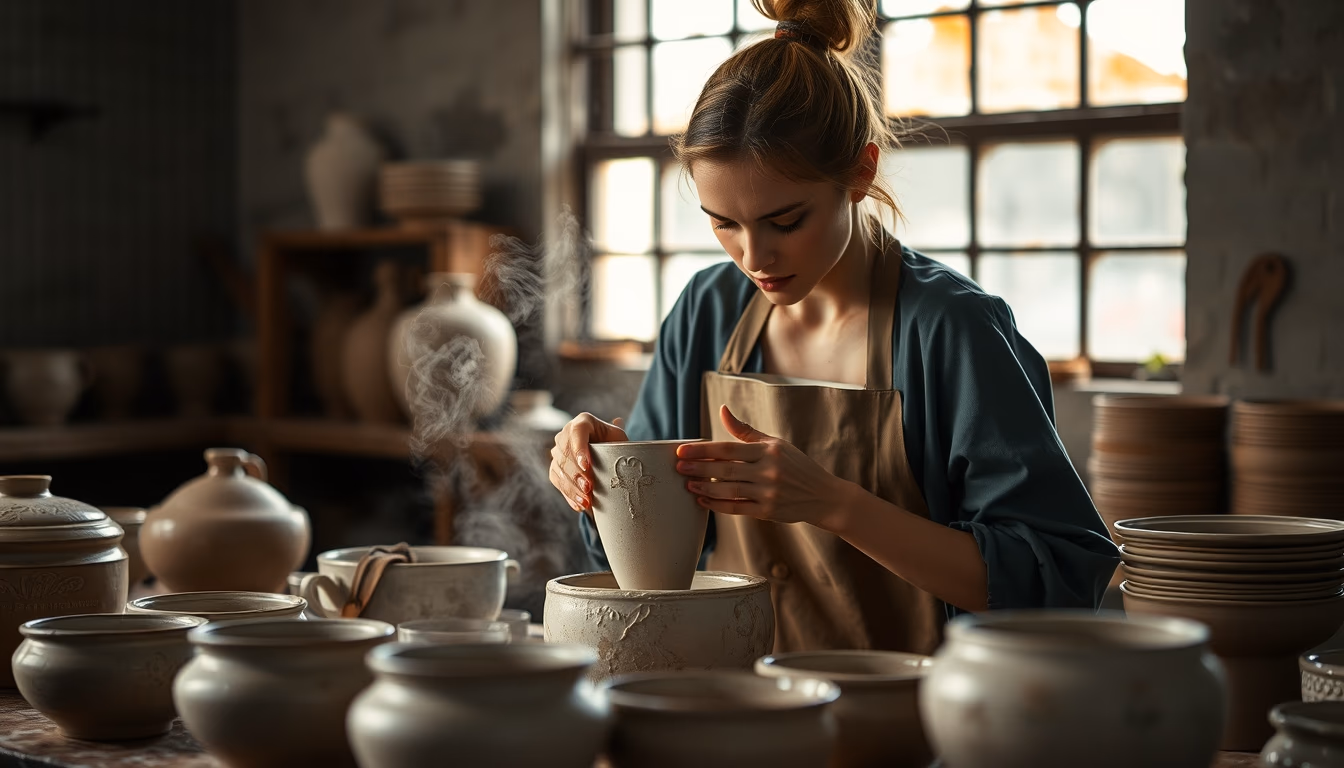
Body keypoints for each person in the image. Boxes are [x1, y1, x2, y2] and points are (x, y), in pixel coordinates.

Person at [548, 0, 1119, 653]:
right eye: (723, 223)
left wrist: (832, 502)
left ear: (861, 172)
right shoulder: (709, 310)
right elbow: (651, 558)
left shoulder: (953, 331)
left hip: (917, 727)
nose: (754, 258)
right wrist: (607, 471)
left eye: (786, 221)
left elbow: (1057, 581)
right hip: (738, 711)